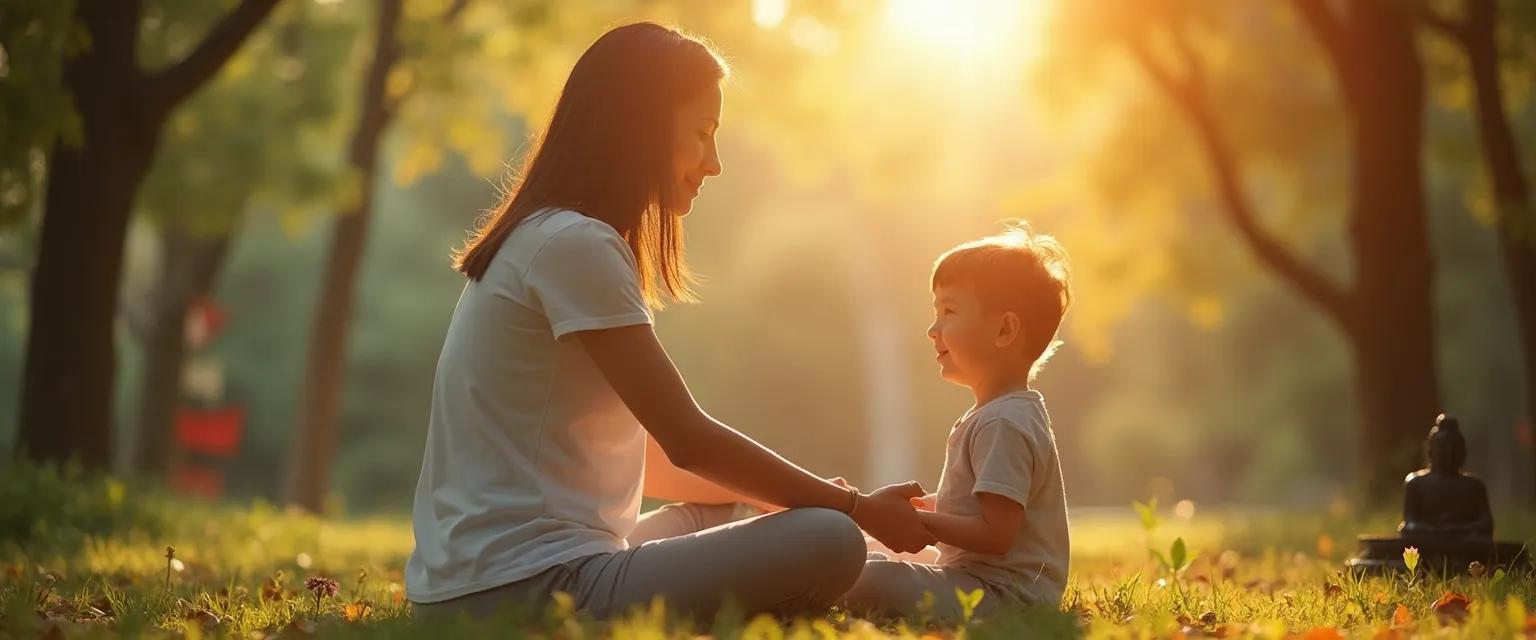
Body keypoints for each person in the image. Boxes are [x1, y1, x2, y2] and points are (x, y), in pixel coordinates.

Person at [405, 22, 933, 622]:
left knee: (742, 506)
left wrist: (795, 495)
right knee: (829, 538)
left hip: (488, 583)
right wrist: (854, 508)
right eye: (702, 133)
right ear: (644, 129)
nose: (715, 163)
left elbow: (647, 460)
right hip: (529, 588)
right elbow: (687, 438)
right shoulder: (575, 244)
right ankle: (861, 564)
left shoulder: (547, 236)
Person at [840, 225, 1073, 622]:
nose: (933, 330)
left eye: (949, 312)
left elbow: (997, 533)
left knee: (869, 576)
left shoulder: (1005, 422)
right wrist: (928, 506)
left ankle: (801, 585)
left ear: (1004, 329)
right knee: (864, 548)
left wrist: (920, 522)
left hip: (1005, 596)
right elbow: (985, 508)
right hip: (978, 579)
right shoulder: (1000, 413)